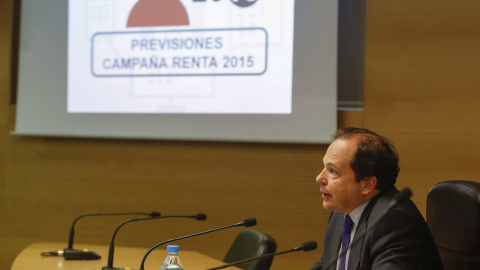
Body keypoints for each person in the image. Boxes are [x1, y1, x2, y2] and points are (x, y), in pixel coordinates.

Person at [311, 127, 443, 270]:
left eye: (332, 171)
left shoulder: (393, 221)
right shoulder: (342, 210)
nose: (319, 178)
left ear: (367, 184)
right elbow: (325, 265)